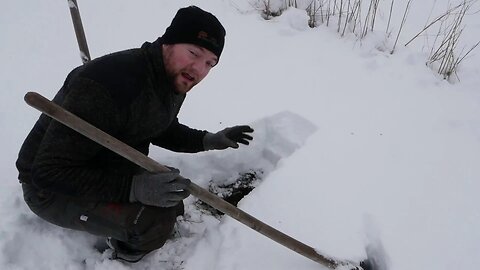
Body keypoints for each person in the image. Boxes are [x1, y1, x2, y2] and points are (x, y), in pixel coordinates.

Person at [16, 6, 253, 263]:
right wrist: (134, 188)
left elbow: (158, 125)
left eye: (210, 63)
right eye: (193, 53)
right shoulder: (105, 86)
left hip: (102, 162)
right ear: (168, 42)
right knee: (154, 222)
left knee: (170, 194)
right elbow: (47, 173)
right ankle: (123, 256)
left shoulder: (168, 77)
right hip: (49, 190)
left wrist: (208, 140)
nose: (199, 69)